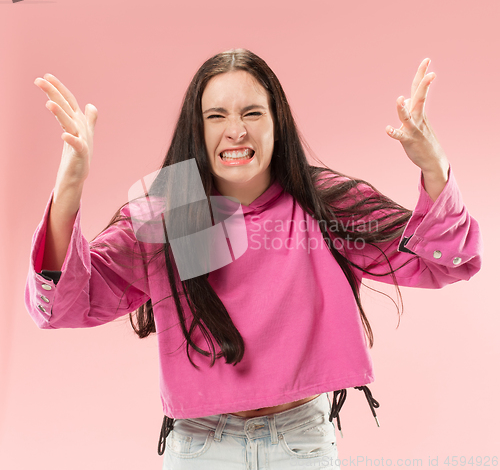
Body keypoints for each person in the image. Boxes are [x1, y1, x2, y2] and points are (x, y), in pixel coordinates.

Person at [26, 49, 482, 469]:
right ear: (197, 130)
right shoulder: (176, 210)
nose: (236, 130)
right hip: (200, 446)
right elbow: (65, 304)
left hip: (301, 442)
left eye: (252, 113)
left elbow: (447, 259)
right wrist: (69, 187)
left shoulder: (322, 205)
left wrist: (433, 167)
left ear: (276, 122)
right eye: (216, 115)